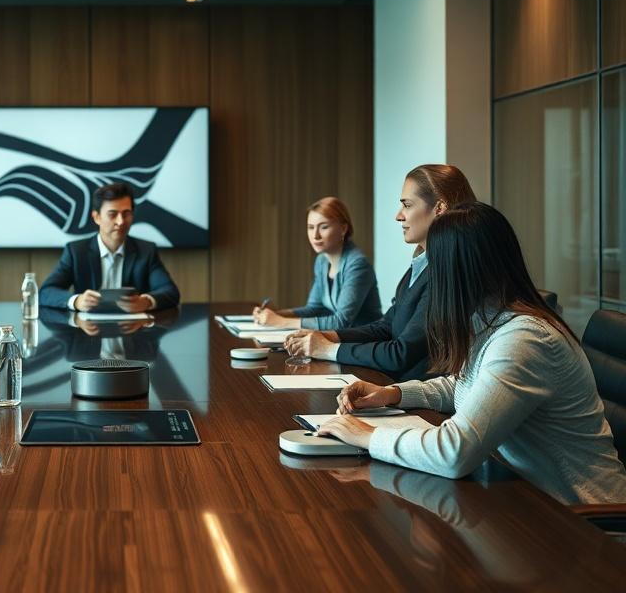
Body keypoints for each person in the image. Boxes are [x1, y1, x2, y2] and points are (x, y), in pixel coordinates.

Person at [318, 202, 626, 505]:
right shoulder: (488, 319)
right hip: (524, 498)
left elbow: (455, 453)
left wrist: (366, 436)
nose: (429, 278)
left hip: (583, 522)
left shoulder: (524, 339)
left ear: (457, 272)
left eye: (434, 265)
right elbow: (463, 384)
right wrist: (391, 394)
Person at [281, 164, 476, 381]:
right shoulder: (421, 264)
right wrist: (330, 336)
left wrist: (327, 349)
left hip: (418, 399)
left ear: (439, 208)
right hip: (395, 387)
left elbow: (401, 353)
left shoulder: (448, 272)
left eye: (407, 205)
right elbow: (387, 326)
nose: (398, 216)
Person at [39, 182, 180, 312]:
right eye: (112, 214)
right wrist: (76, 301)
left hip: (135, 333)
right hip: (88, 334)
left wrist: (146, 302)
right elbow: (46, 292)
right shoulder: (76, 251)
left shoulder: (146, 250)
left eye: (126, 214)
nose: (121, 221)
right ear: (96, 217)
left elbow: (170, 291)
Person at [253, 196, 381, 330]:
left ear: (343, 229)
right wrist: (275, 315)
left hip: (366, 343)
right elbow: (315, 309)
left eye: (323, 227)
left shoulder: (357, 264)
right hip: (338, 341)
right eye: (310, 227)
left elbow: (341, 322)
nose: (315, 236)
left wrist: (280, 322)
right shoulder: (322, 261)